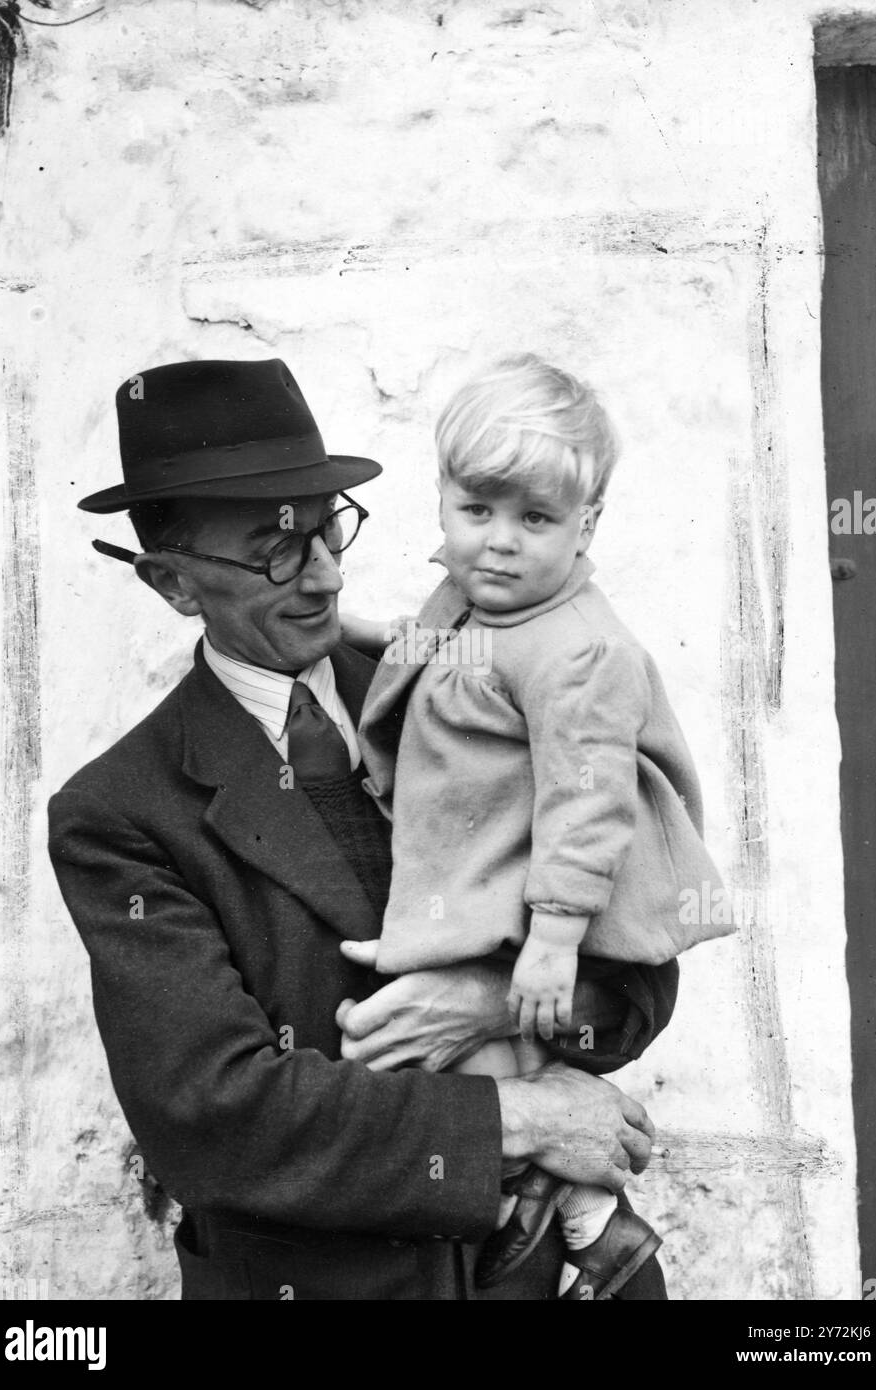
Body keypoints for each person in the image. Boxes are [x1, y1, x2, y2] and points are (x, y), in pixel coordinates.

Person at [48, 356, 678, 1301]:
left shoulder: (452, 675)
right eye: (273, 547)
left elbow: (641, 969)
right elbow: (217, 1119)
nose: (325, 575)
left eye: (327, 529)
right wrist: (521, 1118)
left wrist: (496, 1001)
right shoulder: (121, 815)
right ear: (173, 583)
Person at [349, 355, 731, 1299]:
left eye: (537, 520)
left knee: (480, 1050)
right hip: (477, 881)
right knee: (481, 1051)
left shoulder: (578, 648)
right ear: (443, 500)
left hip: (532, 902)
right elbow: (432, 642)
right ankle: (577, 1220)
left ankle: (572, 1218)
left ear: (588, 523)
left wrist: (556, 939)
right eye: (478, 512)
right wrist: (344, 632)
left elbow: (587, 794)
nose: (501, 545)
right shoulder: (479, 601)